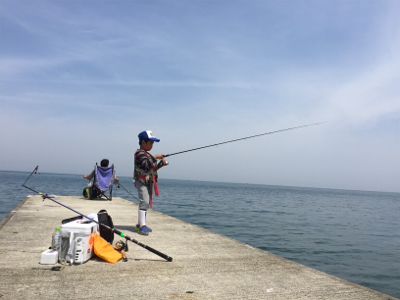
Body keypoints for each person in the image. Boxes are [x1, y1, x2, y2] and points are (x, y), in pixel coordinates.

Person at [134, 130, 167, 235]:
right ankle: (141, 226)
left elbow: (152, 168)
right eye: (151, 143)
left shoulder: (147, 155)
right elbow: (145, 164)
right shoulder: (140, 154)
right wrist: (156, 157)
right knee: (144, 202)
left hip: (147, 182)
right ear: (143, 143)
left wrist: (161, 164)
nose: (152, 145)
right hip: (141, 181)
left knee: (145, 203)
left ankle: (140, 224)